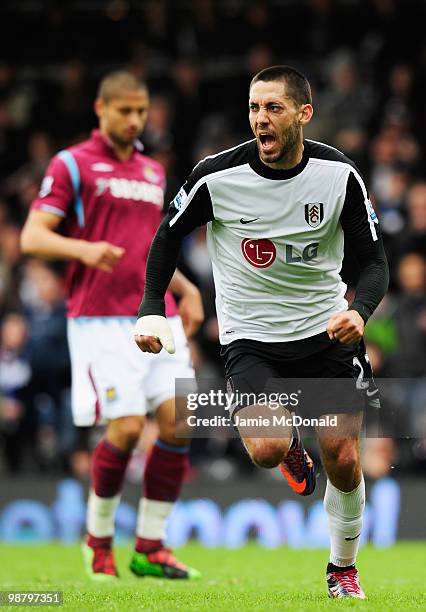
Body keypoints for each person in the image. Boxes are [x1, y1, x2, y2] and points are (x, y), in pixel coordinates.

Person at [134, 65, 389, 599]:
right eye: (254, 108)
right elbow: (166, 236)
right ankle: (290, 443)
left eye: (273, 108)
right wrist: (151, 307)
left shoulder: (338, 176)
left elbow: (374, 263)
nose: (260, 119)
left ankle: (342, 569)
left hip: (327, 335)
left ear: (303, 114)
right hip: (251, 339)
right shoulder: (217, 176)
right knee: (268, 447)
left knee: (343, 457)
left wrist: (360, 311)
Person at [20, 71, 204, 580]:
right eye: (124, 110)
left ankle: (150, 547)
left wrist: (185, 289)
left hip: (154, 311)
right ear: (100, 109)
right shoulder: (72, 164)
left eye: (141, 111)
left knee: (178, 422)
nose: (134, 120)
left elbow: (153, 248)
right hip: (100, 321)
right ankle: (98, 541)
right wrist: (82, 249)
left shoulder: (151, 171)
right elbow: (32, 237)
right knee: (124, 430)